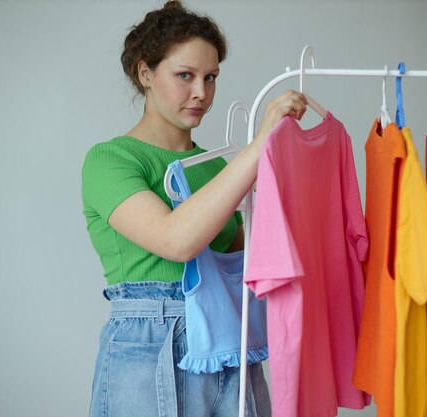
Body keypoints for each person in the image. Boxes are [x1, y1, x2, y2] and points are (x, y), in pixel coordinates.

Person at [82, 1, 308, 416]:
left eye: (210, 77)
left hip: (229, 344)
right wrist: (259, 149)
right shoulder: (110, 160)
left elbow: (249, 262)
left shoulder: (218, 166)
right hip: (149, 343)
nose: (201, 93)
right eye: (184, 75)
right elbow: (177, 240)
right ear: (145, 74)